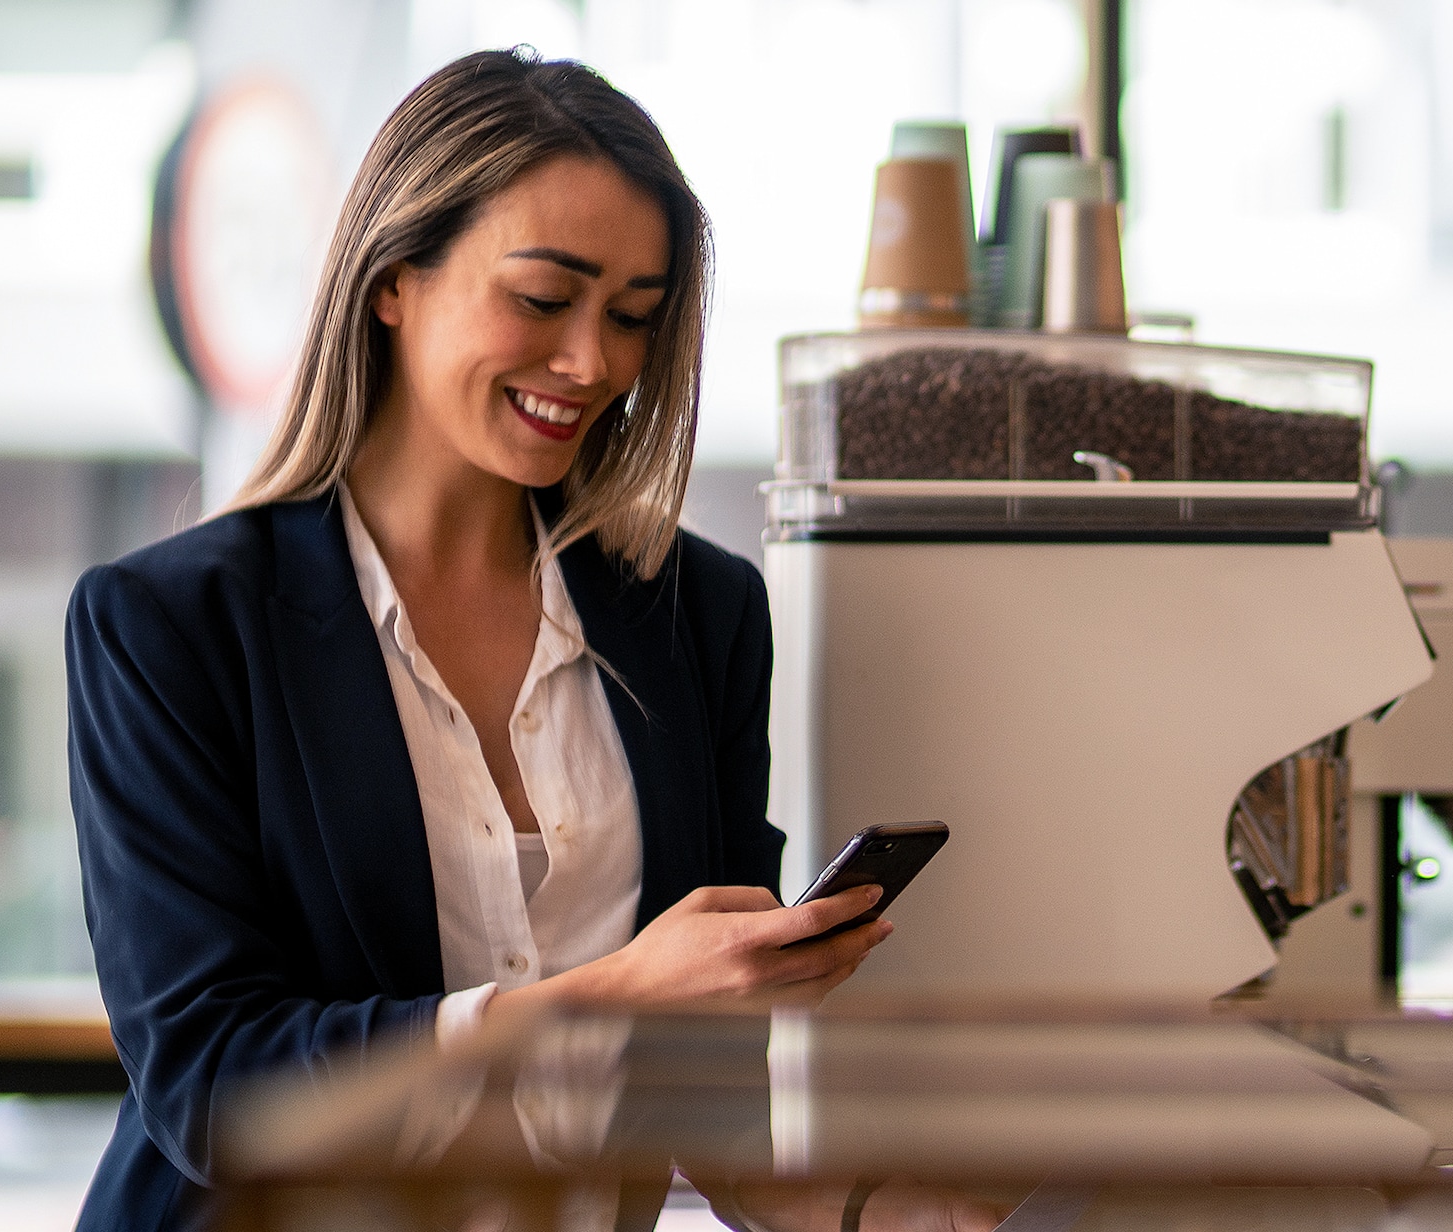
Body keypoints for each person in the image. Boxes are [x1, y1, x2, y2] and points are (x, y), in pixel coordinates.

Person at [66, 50, 1000, 1232]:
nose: (594, 362)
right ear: (394, 278)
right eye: (545, 298)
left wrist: (902, 1213)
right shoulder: (169, 627)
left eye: (634, 319)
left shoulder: (696, 618)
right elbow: (215, 1087)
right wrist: (614, 994)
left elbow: (703, 1114)